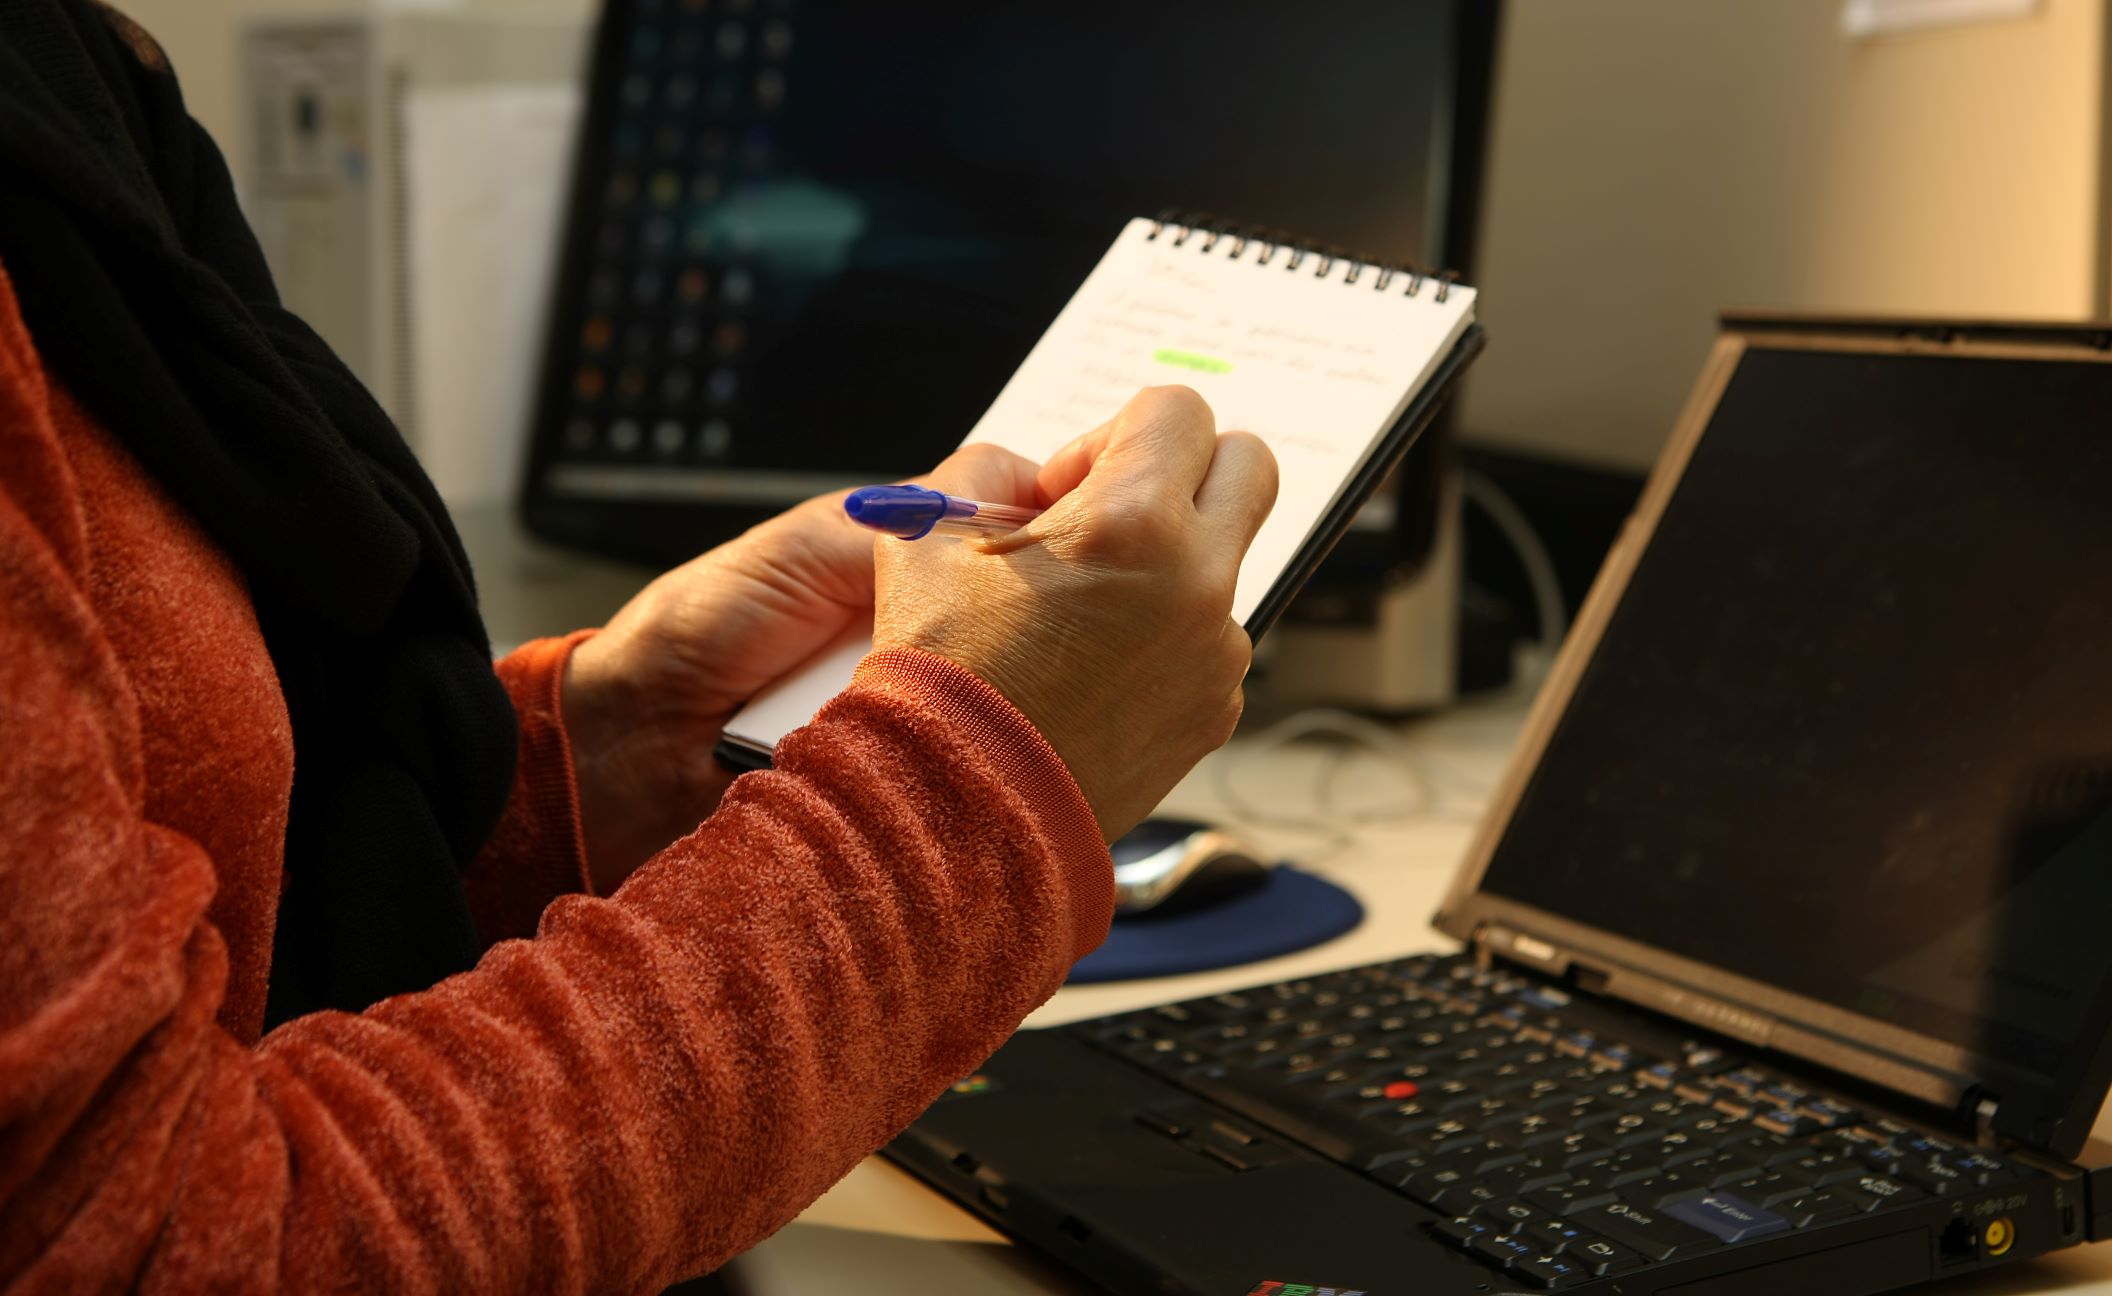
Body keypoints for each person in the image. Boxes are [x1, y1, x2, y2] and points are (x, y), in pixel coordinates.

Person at [0, 2, 1278, 1291]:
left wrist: (587, 766)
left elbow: (174, 884)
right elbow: (150, 1245)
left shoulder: (60, 74)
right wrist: (961, 792)